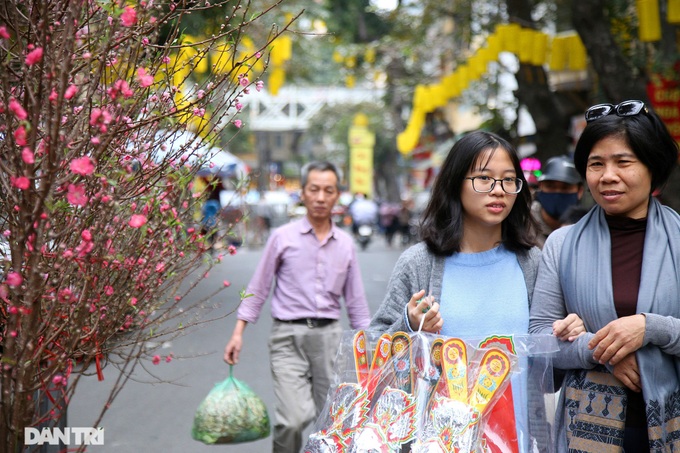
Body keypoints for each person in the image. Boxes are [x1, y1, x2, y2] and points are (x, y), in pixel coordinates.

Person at [369, 130, 584, 452]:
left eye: (509, 180)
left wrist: (566, 336)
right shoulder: (419, 263)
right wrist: (409, 326)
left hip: (519, 440)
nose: (498, 191)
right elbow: (373, 354)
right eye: (484, 178)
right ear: (456, 182)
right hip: (436, 442)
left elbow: (548, 374)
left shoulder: (534, 263)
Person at [528, 100, 680, 451]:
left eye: (623, 162)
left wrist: (649, 327)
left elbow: (655, 329)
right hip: (586, 430)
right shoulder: (561, 244)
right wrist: (599, 349)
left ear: (651, 168)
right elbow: (538, 343)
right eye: (596, 164)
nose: (607, 175)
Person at [224, 161, 372, 453]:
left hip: (330, 340)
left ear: (337, 195)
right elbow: (258, 286)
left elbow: (355, 302)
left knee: (331, 420)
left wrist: (368, 348)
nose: (320, 197)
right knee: (292, 420)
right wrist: (238, 332)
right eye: (314, 189)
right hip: (286, 337)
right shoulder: (283, 238)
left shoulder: (345, 243)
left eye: (328, 190)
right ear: (302, 193)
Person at [531, 155, 584, 247]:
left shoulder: (587, 228)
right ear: (540, 187)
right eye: (550, 186)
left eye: (565, 187)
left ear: (580, 191)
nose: (557, 193)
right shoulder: (522, 227)